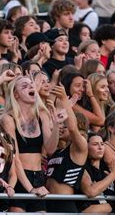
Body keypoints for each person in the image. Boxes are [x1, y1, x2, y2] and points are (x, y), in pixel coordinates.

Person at [1, 76, 60, 212]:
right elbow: (15, 158)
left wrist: (56, 125)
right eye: (24, 86)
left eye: (31, 84)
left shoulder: (42, 115)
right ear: (15, 94)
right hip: (19, 177)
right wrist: (30, 189)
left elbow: (50, 149)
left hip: (39, 175)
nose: (31, 87)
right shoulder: (8, 119)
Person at [46, 83, 88, 213]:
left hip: (64, 205)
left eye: (65, 121)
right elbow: (48, 148)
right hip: (49, 203)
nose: (63, 126)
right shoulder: (59, 150)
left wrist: (64, 100)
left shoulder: (80, 147)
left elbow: (72, 128)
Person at [78, 132, 115, 213]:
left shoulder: (108, 168)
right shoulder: (82, 166)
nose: (100, 147)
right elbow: (91, 191)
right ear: (86, 147)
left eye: (102, 144)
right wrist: (114, 175)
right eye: (95, 144)